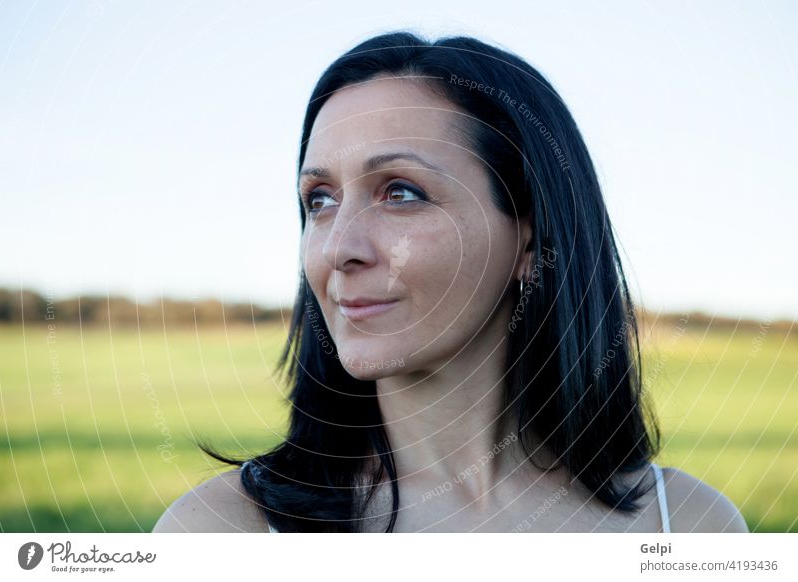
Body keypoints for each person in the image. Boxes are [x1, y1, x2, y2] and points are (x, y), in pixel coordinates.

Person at [153, 30, 748, 533]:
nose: (338, 248)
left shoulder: (691, 528)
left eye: (401, 193)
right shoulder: (220, 532)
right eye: (321, 200)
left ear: (530, 239)